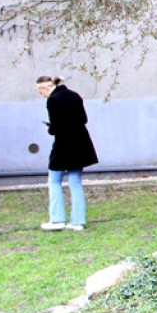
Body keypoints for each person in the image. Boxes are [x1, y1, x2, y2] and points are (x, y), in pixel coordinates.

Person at [36, 76, 98, 231]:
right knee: (75, 181)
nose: (42, 96)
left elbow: (55, 128)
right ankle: (77, 221)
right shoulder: (75, 95)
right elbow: (84, 119)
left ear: (45, 88)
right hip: (81, 143)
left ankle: (57, 220)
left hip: (63, 145)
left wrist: (49, 128)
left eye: (40, 92)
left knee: (54, 180)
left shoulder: (52, 100)